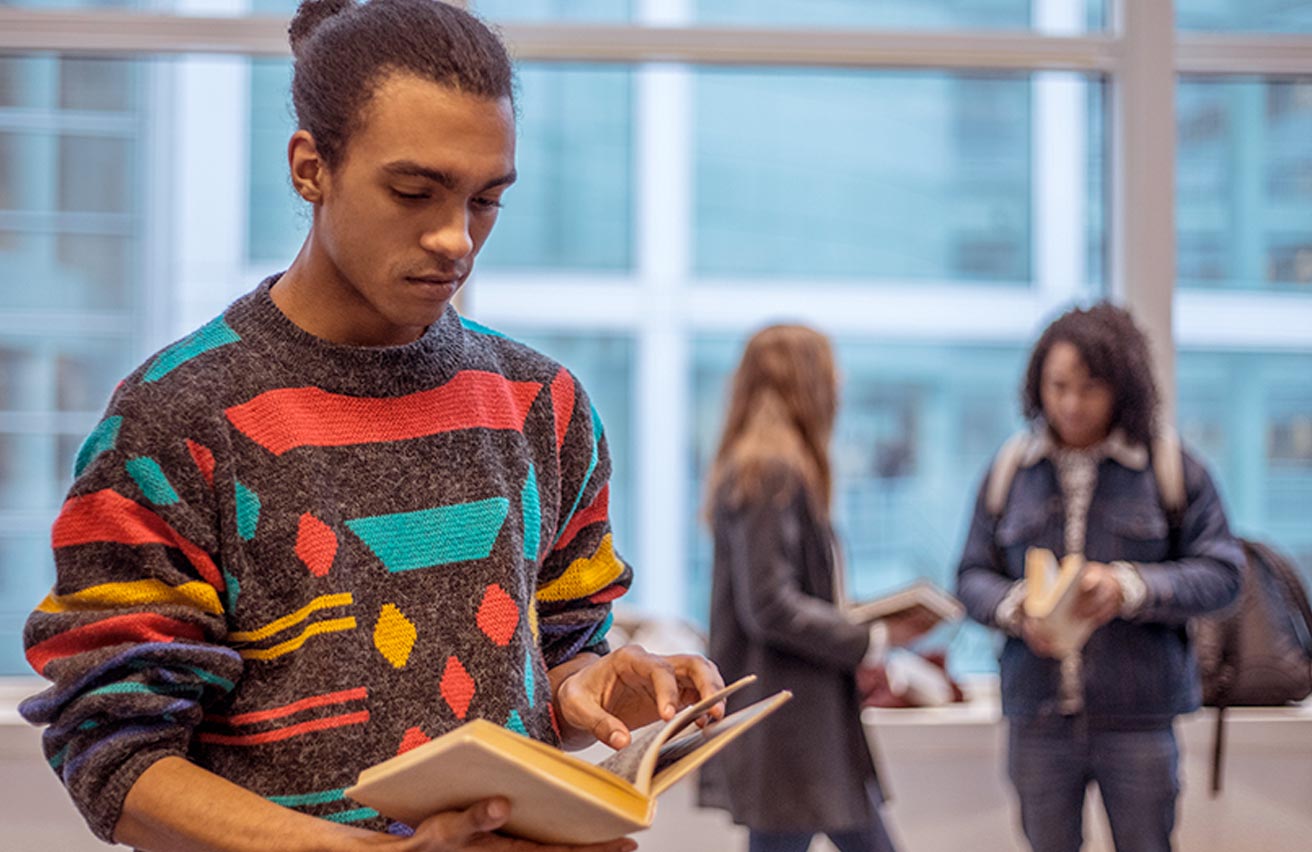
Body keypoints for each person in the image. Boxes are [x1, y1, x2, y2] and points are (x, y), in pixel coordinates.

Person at [19, 2, 723, 850]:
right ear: (310, 168)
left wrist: (594, 688)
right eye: (413, 191)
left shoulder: (544, 406)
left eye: (486, 200)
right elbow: (115, 755)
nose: (453, 239)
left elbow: (560, 653)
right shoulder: (180, 420)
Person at [955, 303, 1244, 852]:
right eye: (1056, 385)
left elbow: (1224, 573)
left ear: (1123, 388)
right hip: (1036, 716)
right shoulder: (1010, 470)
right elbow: (970, 575)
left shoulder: (1170, 467)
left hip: (1138, 717)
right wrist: (1017, 608)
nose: (1069, 404)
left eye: (1088, 388)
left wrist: (1130, 587)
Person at [696, 325, 935, 852]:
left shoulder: (764, 468)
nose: (840, 381)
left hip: (798, 727)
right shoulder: (770, 471)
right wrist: (870, 638)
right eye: (830, 370)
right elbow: (770, 605)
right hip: (794, 728)